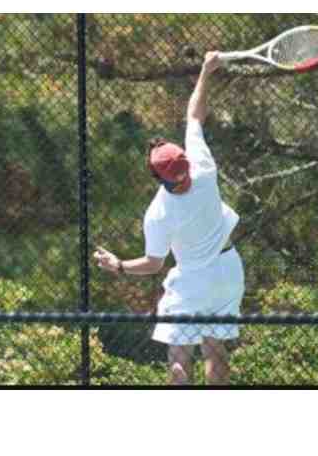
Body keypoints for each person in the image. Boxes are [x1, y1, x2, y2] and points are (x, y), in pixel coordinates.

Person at [94, 51, 245, 386]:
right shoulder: (203, 169)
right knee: (215, 349)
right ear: (186, 163)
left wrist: (119, 266)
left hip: (192, 278)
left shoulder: (158, 213)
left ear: (158, 178)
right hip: (228, 269)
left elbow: (153, 264)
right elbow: (195, 116)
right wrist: (206, 70)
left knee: (179, 357)